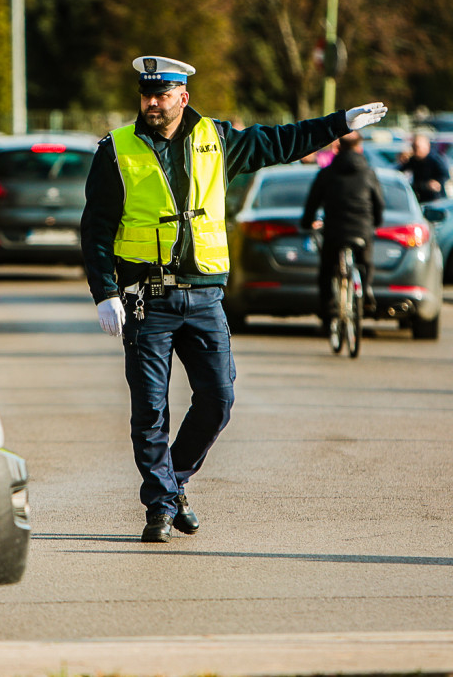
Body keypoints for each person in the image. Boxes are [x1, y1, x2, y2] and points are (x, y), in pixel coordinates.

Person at [80, 55, 387, 543]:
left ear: (184, 97)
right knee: (150, 411)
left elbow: (284, 141)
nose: (152, 103)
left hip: (204, 297)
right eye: (146, 94)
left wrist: (340, 123)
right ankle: (159, 506)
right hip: (146, 301)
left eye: (162, 95)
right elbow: (95, 228)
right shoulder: (115, 150)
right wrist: (105, 293)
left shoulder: (217, 140)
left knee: (219, 399)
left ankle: (174, 481)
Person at [300, 131, 385, 326]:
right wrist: (376, 223)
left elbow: (312, 203)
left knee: (327, 271)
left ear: (338, 148)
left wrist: (307, 223)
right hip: (362, 229)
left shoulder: (326, 173)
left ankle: (328, 311)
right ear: (359, 148)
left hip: (334, 230)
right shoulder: (369, 174)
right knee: (365, 263)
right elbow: (378, 203)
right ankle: (364, 291)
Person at [397, 133, 448, 203]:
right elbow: (399, 171)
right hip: (419, 195)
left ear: (426, 147)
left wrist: (437, 182)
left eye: (417, 147)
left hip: (434, 197)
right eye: (413, 147)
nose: (415, 150)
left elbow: (444, 175)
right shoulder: (413, 160)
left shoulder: (435, 160)